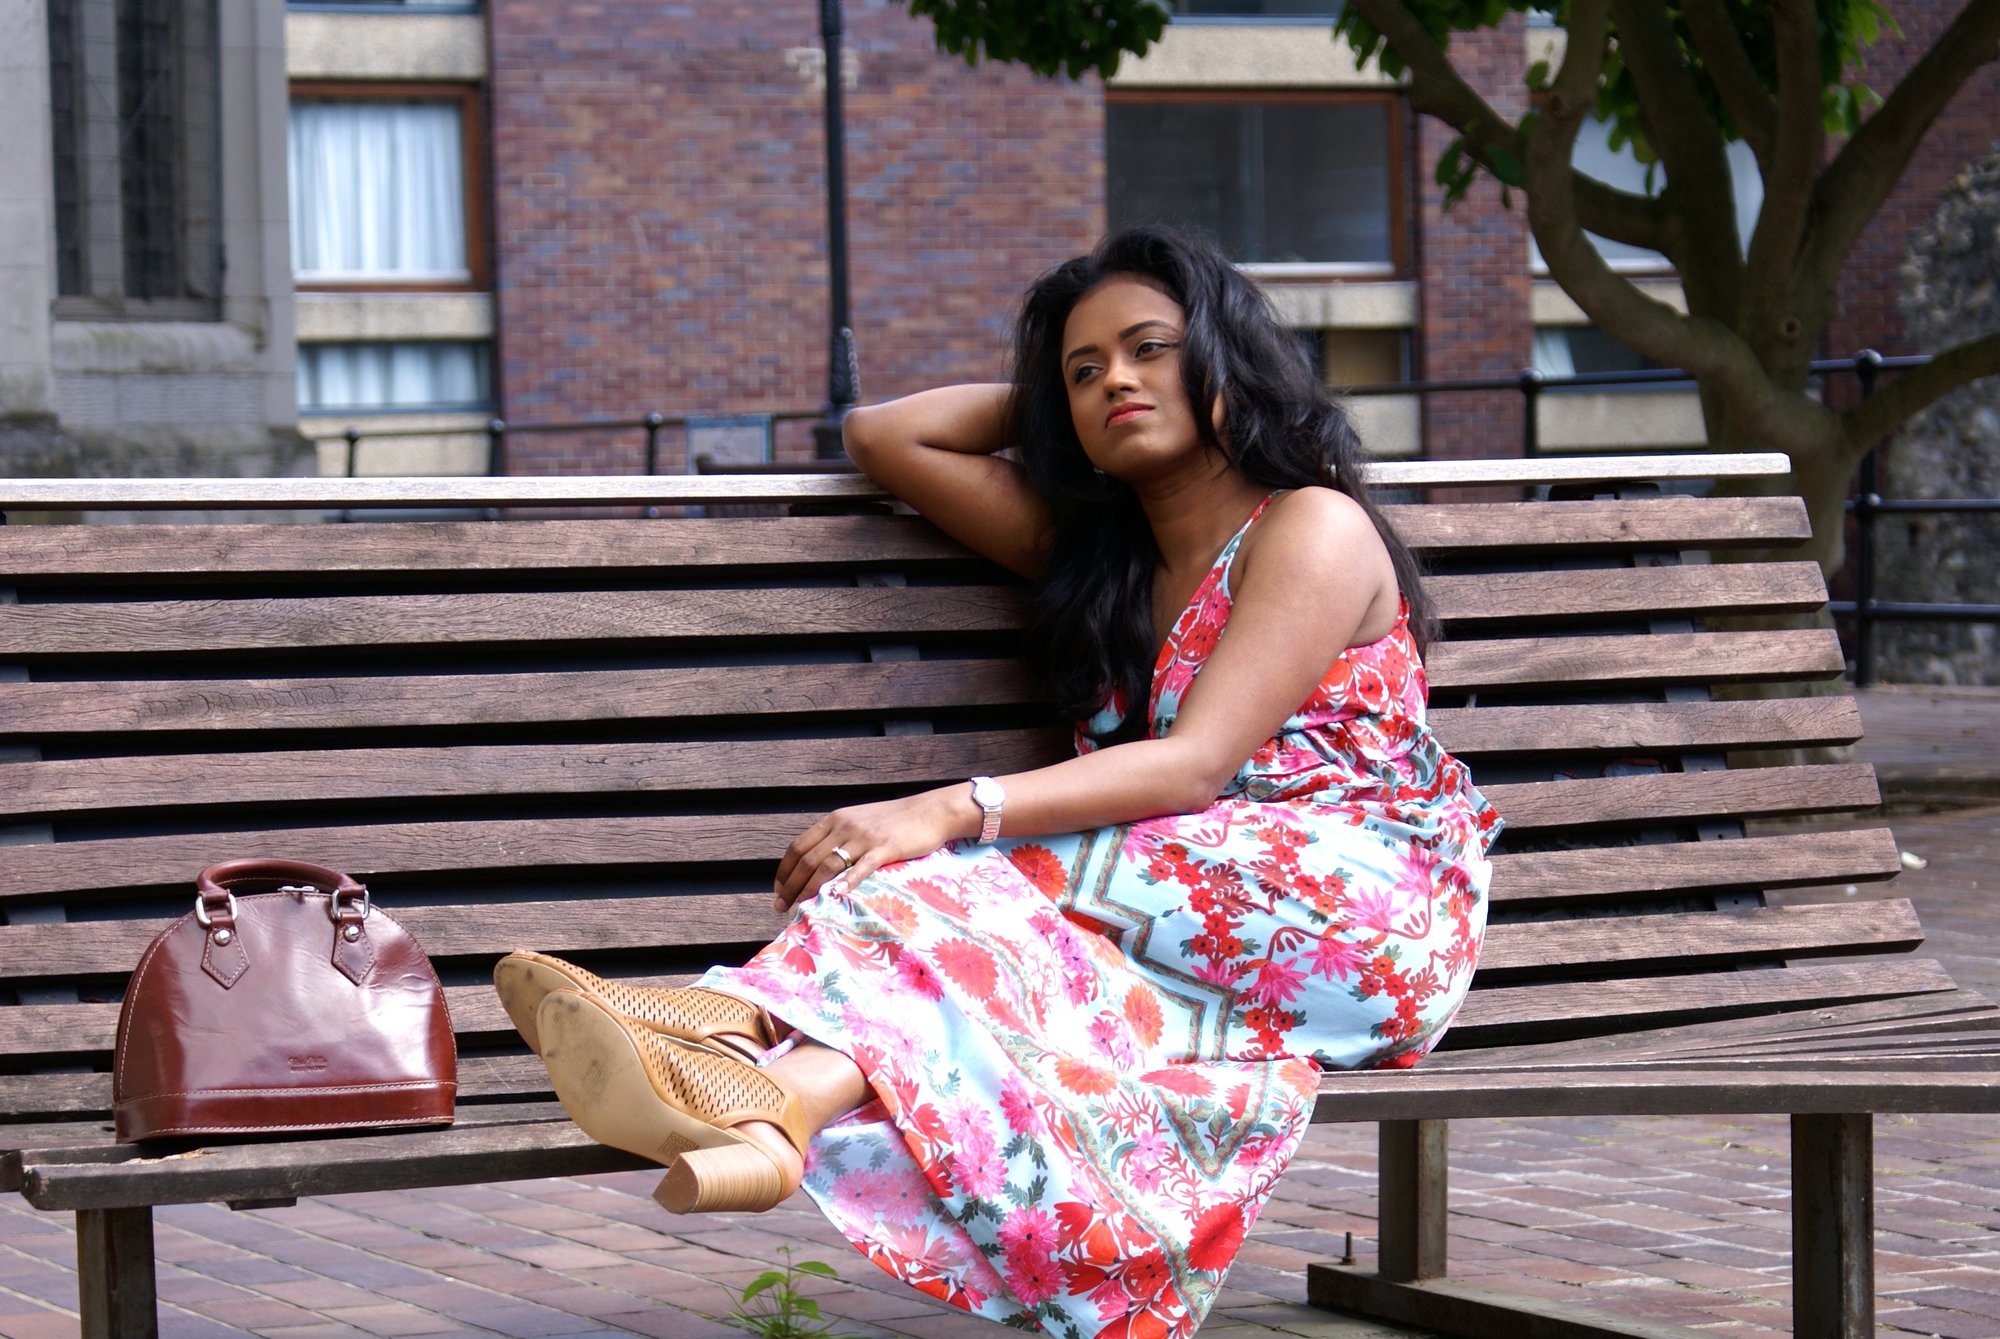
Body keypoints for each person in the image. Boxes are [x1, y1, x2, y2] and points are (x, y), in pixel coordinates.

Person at [495, 225, 1500, 1338]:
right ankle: (781, 1110)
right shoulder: (1106, 561)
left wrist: (945, 805)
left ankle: (721, 1017)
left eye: (1149, 349)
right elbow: (887, 434)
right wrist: (1065, 406)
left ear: (1227, 359)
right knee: (1012, 945)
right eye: (1082, 370)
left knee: (972, 864)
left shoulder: (1310, 524)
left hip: (1358, 910)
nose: (1114, 377)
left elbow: (1197, 765)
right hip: (1168, 915)